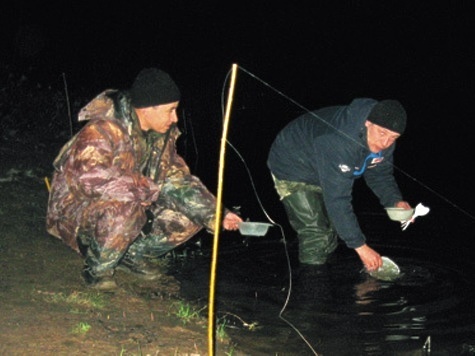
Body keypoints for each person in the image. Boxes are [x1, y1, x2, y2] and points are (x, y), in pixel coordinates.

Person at [46, 67, 243, 290]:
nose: (175, 118)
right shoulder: (103, 129)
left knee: (192, 215)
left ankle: (129, 255)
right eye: (171, 110)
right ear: (148, 109)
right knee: (126, 206)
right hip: (77, 213)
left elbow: (178, 181)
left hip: (126, 206)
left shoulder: (160, 137)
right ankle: (97, 268)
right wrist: (145, 188)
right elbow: (88, 181)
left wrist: (217, 213)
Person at [267, 98, 412, 274]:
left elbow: (379, 175)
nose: (385, 143)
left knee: (334, 229)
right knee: (316, 233)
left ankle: (325, 273)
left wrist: (395, 201)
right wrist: (361, 247)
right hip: (293, 164)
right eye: (382, 134)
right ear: (368, 123)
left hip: (324, 165)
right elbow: (338, 199)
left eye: (393, 138)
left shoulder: (386, 139)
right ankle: (312, 291)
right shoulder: (340, 141)